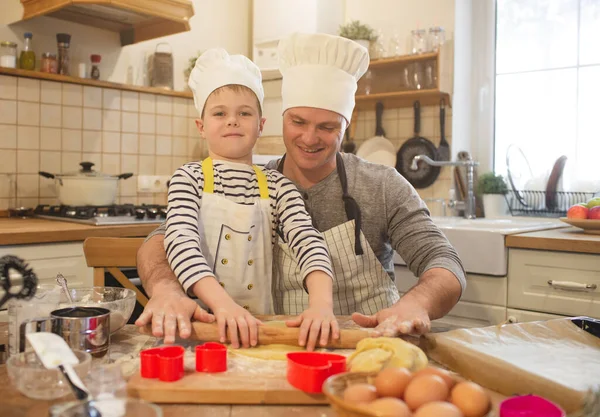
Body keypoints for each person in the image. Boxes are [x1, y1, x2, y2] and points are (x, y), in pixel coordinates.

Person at [136, 32, 466, 345]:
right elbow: (162, 242)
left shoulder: (380, 184)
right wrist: (167, 290)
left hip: (368, 342)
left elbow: (443, 260)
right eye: (298, 122)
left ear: (345, 126)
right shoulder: (250, 180)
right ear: (279, 120)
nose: (309, 138)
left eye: (327, 127)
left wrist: (416, 304)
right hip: (277, 345)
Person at [162, 48, 337, 350]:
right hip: (201, 330)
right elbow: (180, 243)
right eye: (220, 113)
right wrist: (222, 305)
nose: (232, 121)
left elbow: (308, 241)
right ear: (201, 127)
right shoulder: (187, 178)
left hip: (259, 330)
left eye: (244, 113)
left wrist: (321, 305)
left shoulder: (277, 186)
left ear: (261, 125)